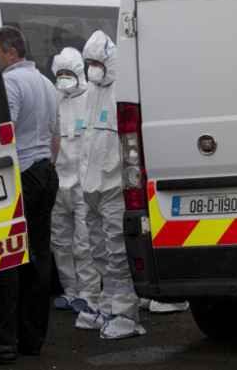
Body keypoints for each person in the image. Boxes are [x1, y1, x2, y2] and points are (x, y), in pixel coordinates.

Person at [0, 26, 60, 363]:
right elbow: (55, 135)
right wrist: (45, 167)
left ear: (10, 53)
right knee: (39, 259)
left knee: (4, 257)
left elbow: (6, 134)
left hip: (23, 175)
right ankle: (32, 339)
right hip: (46, 172)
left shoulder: (11, 83)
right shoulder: (47, 83)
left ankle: (3, 340)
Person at [74, 30, 146, 339]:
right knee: (99, 251)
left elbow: (130, 146)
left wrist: (131, 187)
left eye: (96, 62)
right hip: (90, 189)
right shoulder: (91, 91)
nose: (91, 68)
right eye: (88, 62)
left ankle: (126, 314)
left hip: (115, 188)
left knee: (119, 254)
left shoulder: (121, 92)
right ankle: (107, 306)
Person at [50, 47, 100, 313]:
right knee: (59, 241)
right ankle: (69, 290)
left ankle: (90, 293)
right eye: (60, 74)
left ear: (79, 73)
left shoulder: (90, 99)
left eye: (69, 73)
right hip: (58, 181)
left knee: (84, 241)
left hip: (82, 182)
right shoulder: (53, 98)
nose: (64, 78)